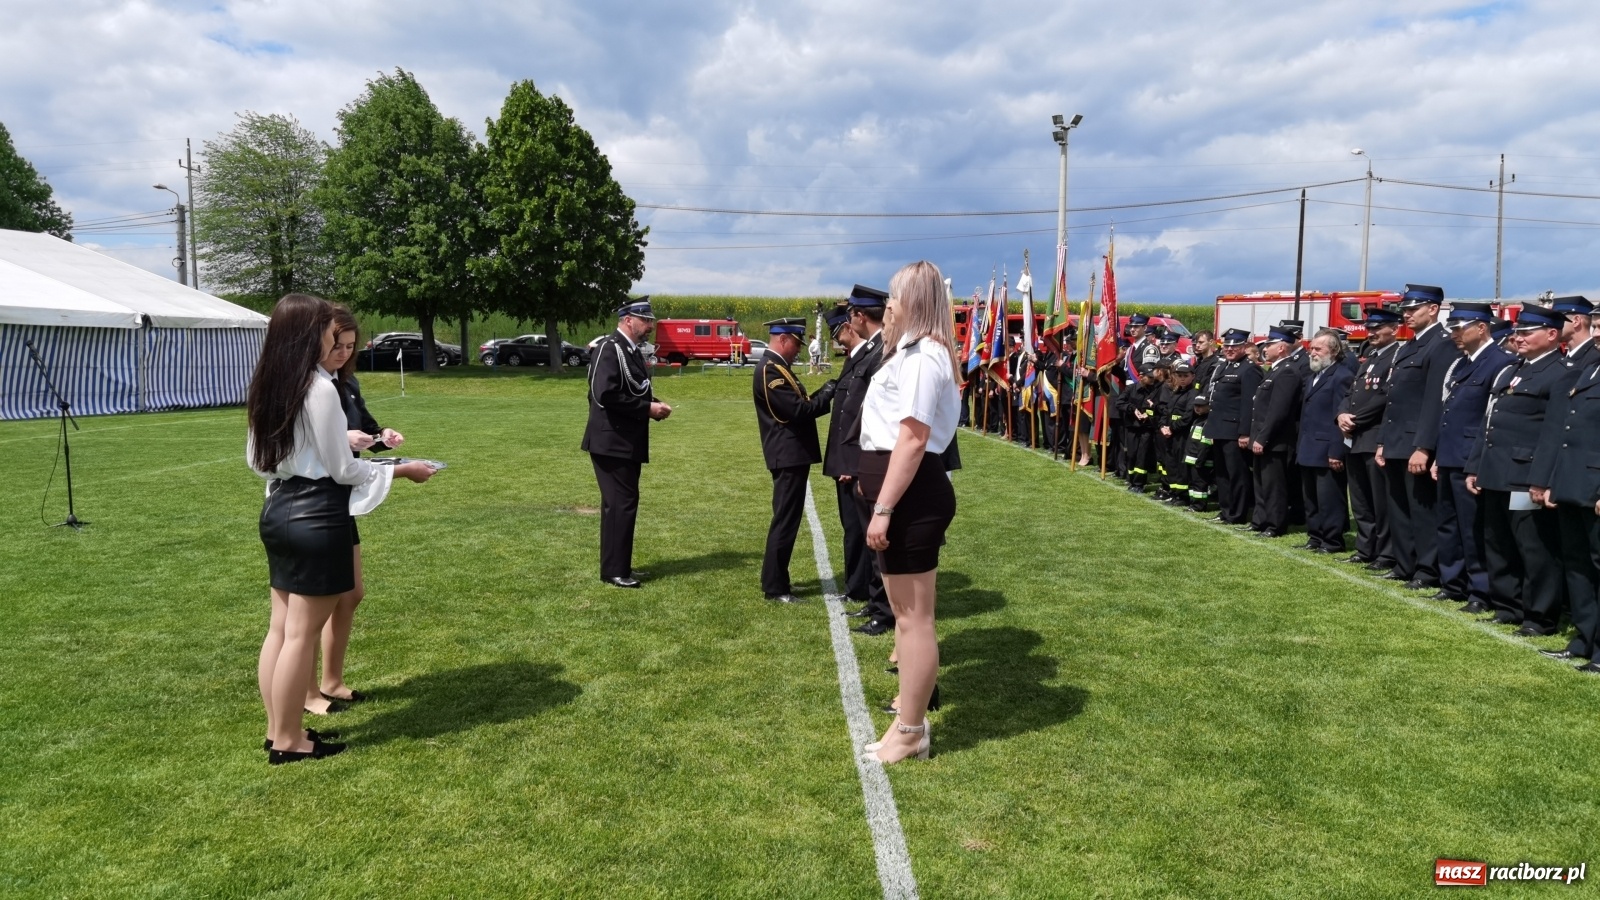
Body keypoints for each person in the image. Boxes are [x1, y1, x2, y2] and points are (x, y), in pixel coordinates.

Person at [248, 294, 435, 765]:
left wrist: (330, 450)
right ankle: (290, 740)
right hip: (317, 515)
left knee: (281, 630)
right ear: (305, 334)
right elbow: (342, 470)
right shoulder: (320, 388)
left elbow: (258, 461)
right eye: (327, 332)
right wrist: (401, 470)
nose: (335, 341)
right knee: (299, 635)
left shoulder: (271, 383)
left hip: (279, 508)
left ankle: (279, 730)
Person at [858, 260, 961, 765]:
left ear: (914, 301)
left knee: (915, 620)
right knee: (904, 618)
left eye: (895, 296)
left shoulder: (924, 357)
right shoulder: (910, 352)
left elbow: (913, 437)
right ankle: (906, 724)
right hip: (903, 491)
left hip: (911, 494)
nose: (888, 306)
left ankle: (911, 730)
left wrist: (883, 508)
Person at [305, 306, 409, 715]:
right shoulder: (311, 385)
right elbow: (327, 451)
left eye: (350, 347)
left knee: (351, 594)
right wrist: (398, 471)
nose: (343, 353)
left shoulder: (344, 384)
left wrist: (382, 436)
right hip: (314, 502)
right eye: (336, 345)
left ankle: (332, 679)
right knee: (312, 607)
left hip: (338, 501)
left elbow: (362, 431)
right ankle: (310, 691)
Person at [1465, 304, 1568, 628]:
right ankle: (1507, 606)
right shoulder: (1511, 369)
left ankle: (1539, 616)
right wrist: (1475, 466)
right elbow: (1489, 421)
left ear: (1552, 335)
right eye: (1517, 332)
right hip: (1495, 470)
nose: (1518, 338)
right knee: (1498, 542)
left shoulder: (1560, 374)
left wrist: (1542, 478)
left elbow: (1555, 432)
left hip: (1525, 474)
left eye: (1526, 332)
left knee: (1533, 547)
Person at [583, 298, 673, 589]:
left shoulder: (628, 350)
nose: (649, 327)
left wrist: (653, 404)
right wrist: (646, 409)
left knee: (623, 503)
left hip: (624, 440)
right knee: (620, 504)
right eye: (645, 320)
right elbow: (604, 394)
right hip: (611, 440)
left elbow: (631, 388)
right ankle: (614, 570)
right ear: (627, 320)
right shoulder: (611, 348)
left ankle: (619, 565)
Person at [1431, 303, 1515, 607]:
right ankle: (1453, 582)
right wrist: (1439, 455)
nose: (1454, 333)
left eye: (1459, 327)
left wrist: (1477, 462)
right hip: (1451, 452)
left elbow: (1490, 418)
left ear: (1481, 327)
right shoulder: (1462, 363)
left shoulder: (1500, 362)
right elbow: (1448, 412)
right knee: (1448, 523)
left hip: (1471, 456)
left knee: (1473, 528)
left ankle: (1480, 590)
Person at [1377, 284, 1459, 590]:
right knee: (1399, 507)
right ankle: (1405, 563)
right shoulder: (1407, 346)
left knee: (1422, 509)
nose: (1407, 315)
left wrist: (1424, 447)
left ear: (1433, 309)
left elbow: (1434, 400)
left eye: (1413, 309)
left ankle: (1427, 569)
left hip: (1416, 442)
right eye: (1405, 310)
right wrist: (1383, 440)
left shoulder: (1441, 343)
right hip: (1396, 439)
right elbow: (1394, 399)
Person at [754, 318, 837, 603]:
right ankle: (775, 586)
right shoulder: (769, 371)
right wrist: (827, 393)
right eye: (796, 344)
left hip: (791, 455)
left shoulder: (778, 368)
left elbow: (799, 404)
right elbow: (797, 410)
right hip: (786, 455)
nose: (798, 350)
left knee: (787, 519)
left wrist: (822, 394)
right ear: (783, 340)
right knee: (785, 521)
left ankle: (779, 580)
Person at [1530, 350, 1600, 671]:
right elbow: (1567, 432)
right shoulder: (1589, 370)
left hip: (1595, 487)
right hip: (1573, 483)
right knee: (1577, 565)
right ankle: (1584, 641)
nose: (1598, 333)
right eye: (1597, 326)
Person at [823, 289, 885, 609]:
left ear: (858, 318)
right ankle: (859, 587)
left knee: (864, 531)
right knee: (853, 528)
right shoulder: (861, 356)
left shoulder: (875, 354)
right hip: (847, 459)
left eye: (848, 317)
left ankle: (867, 592)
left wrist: (852, 463)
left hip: (858, 460)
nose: (845, 325)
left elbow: (865, 416)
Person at [1338, 307, 1402, 570]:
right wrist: (1341, 414)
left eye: (1378, 328)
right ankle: (1366, 549)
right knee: (1361, 500)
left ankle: (1386, 554)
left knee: (1380, 501)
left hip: (1373, 436)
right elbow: (1352, 392)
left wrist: (1355, 419)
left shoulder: (1396, 356)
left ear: (1394, 329)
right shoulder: (1371, 357)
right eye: (1370, 328)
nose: (1371, 332)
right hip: (1354, 437)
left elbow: (1384, 397)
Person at [1298, 332, 1354, 553]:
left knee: (1329, 499)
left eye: (1318, 349)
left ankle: (1332, 541)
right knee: (1311, 498)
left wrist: (1336, 451)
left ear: (1334, 351)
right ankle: (1315, 537)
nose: (1312, 352)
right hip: (1309, 446)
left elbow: (1339, 417)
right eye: (1311, 348)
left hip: (1327, 449)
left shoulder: (1342, 376)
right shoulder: (1314, 376)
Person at [1249, 326, 1303, 538]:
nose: (1265, 348)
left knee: (1274, 486)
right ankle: (1261, 520)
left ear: (1281, 347)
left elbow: (1278, 410)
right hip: (1263, 438)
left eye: (1269, 345)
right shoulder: (1276, 369)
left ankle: (1275, 524)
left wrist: (1263, 437)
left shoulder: (1288, 371)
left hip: (1275, 440)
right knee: (1261, 483)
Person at [1204, 328, 1262, 526]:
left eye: (1234, 346)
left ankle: (1237, 514)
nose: (1229, 349)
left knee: (1237, 474)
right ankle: (1225, 510)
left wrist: (1245, 433)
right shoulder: (1224, 367)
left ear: (1244, 347)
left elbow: (1249, 404)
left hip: (1234, 431)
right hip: (1219, 429)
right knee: (1222, 474)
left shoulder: (1249, 368)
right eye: (1226, 346)